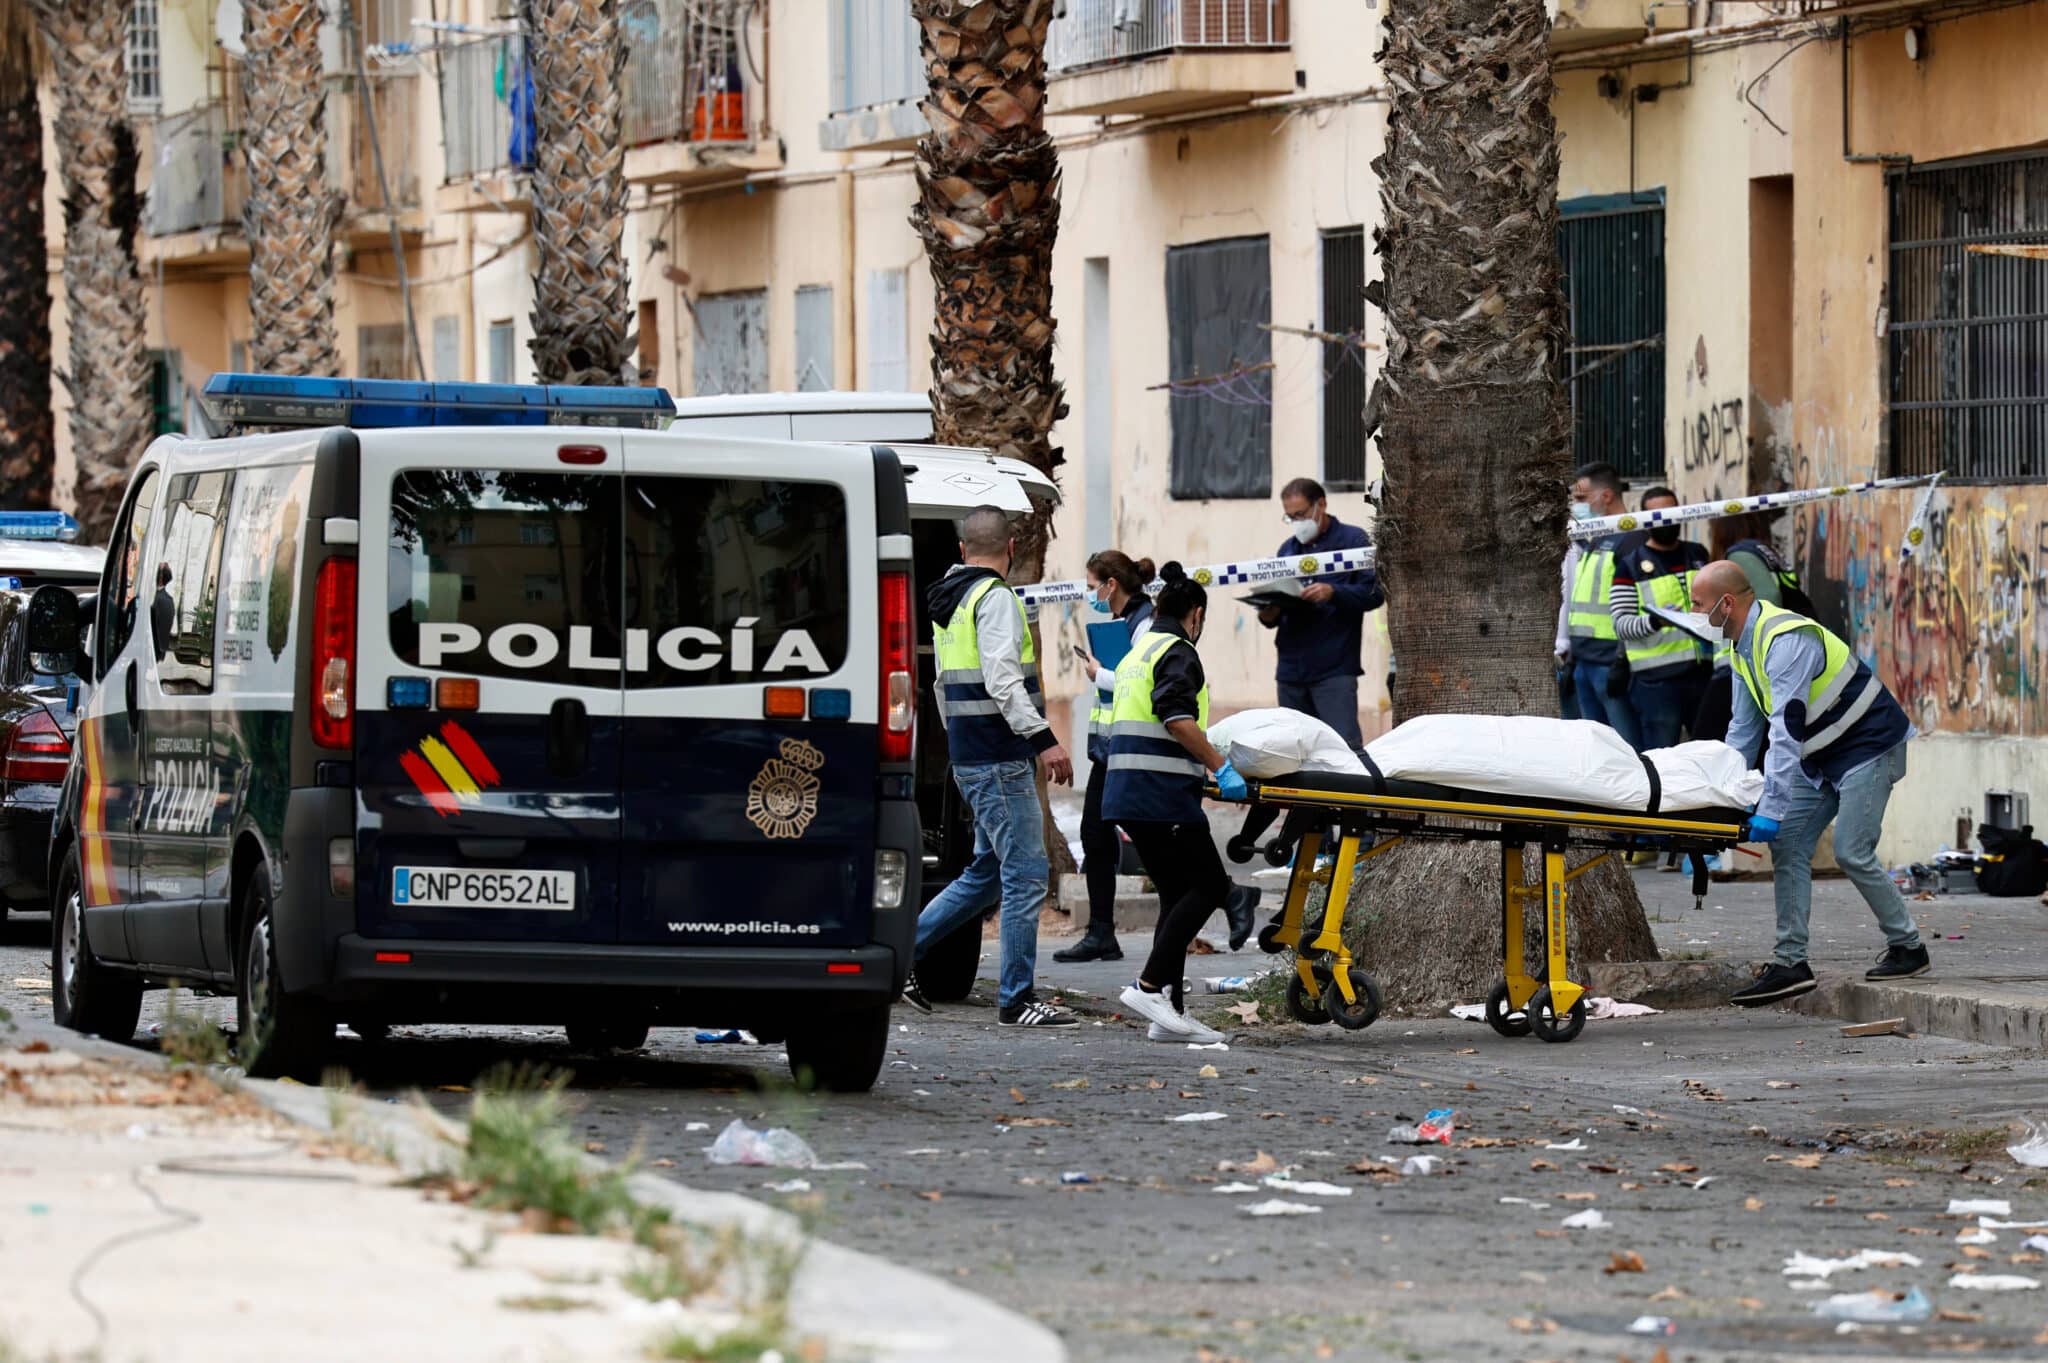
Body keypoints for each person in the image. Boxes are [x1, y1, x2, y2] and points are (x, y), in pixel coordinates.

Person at [1686, 561, 1930, 1007]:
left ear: (1726, 603)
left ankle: (1909, 947)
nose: (1693, 614)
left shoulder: (1785, 640)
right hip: (1822, 754)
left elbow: (1784, 730)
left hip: (1867, 745)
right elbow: (1743, 730)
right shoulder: (1741, 646)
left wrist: (1771, 807)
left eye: (1698, 605)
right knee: (1790, 843)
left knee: (1851, 851)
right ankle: (1790, 964)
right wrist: (1720, 797)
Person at [901, 506, 1078, 1027]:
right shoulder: (995, 599)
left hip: (973, 755)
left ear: (962, 551)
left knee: (986, 875)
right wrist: (1045, 740)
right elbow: (1004, 681)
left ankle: (901, 956)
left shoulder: (953, 602)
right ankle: (1017, 1000)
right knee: (1025, 875)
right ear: (1012, 549)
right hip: (1001, 758)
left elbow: (938, 685)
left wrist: (960, 742)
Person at [1106, 563, 1254, 1043]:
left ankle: (1168, 1011)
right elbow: (1176, 717)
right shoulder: (1178, 652)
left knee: (1175, 893)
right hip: (1160, 795)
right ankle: (1149, 987)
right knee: (1210, 886)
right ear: (1196, 615)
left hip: (1128, 790)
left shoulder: (1138, 651)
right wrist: (1219, 766)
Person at [1054, 550, 1156, 964]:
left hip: (1132, 748)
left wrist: (1101, 675)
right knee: (1095, 835)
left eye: (1093, 583)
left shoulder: (1145, 623)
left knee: (1147, 836)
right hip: (1111, 749)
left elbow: (1142, 681)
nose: (1091, 593)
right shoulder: (1123, 622)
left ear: (1110, 584)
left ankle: (1225, 895)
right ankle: (1101, 933)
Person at [1258, 477, 1383, 749]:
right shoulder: (1288, 550)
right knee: (1296, 751)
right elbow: (1272, 618)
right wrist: (1268, 611)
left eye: (1301, 515)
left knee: (1342, 751)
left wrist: (1333, 592)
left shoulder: (1352, 541)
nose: (1297, 523)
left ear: (1321, 505)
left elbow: (1374, 594)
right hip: (1291, 672)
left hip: (1334, 670)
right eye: (1290, 517)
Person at [1608, 486, 1711, 752]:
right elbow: (1621, 625)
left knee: (1711, 752)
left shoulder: (1697, 554)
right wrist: (1656, 622)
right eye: (1657, 515)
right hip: (1656, 684)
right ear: (1644, 520)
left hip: (1703, 674)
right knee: (1662, 758)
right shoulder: (1629, 566)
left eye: (1671, 512)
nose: (1666, 520)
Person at [1560, 463, 1642, 749]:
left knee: (1626, 748)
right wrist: (1573, 658)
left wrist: (1622, 658)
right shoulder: (1598, 537)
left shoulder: (1632, 537)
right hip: (1584, 659)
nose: (1576, 506)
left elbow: (1635, 602)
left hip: (1610, 661)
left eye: (1581, 498)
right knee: (1595, 750)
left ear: (1606, 496)